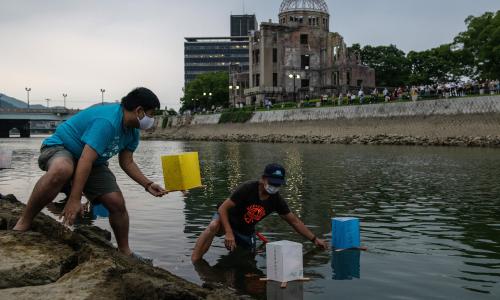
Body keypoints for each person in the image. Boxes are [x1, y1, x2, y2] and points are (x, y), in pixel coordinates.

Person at [13, 87, 167, 260]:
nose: (152, 119)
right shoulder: (107, 122)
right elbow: (85, 159)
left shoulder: (132, 131)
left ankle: (125, 252)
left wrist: (147, 184)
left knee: (116, 203)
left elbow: (127, 162)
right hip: (62, 148)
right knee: (62, 169)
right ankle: (23, 223)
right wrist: (74, 199)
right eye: (151, 114)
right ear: (139, 111)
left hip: (92, 161)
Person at [191, 164, 328, 262]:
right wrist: (228, 232)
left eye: (278, 185)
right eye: (272, 182)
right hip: (227, 221)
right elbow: (222, 209)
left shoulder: (277, 200)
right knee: (213, 226)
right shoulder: (247, 188)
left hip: (246, 231)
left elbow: (295, 222)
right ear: (263, 179)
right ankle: (195, 261)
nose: (274, 187)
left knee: (247, 260)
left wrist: (315, 239)